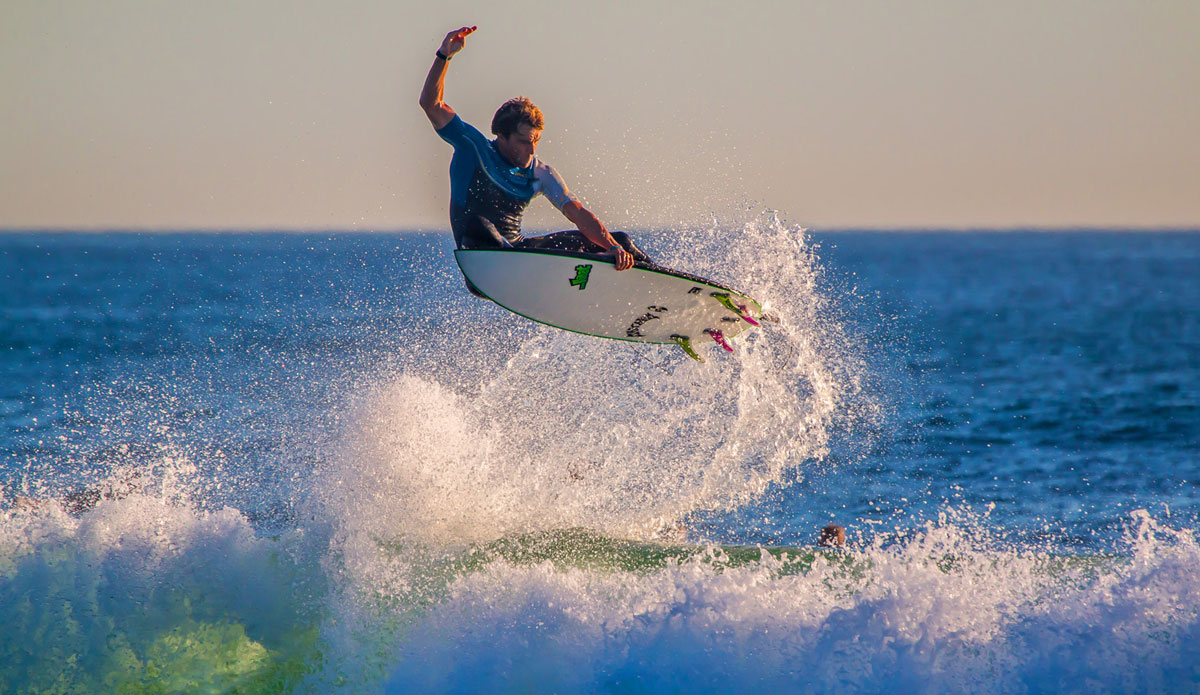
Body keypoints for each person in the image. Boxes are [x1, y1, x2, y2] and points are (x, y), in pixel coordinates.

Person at [419, 26, 651, 295]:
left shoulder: (540, 173)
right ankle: (547, 275)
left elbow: (577, 214)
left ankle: (663, 290)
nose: (531, 150)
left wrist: (611, 247)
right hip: (484, 266)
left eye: (536, 142)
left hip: (522, 257)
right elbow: (431, 104)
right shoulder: (473, 148)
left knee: (618, 240)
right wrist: (444, 56)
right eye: (523, 141)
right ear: (501, 136)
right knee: (478, 225)